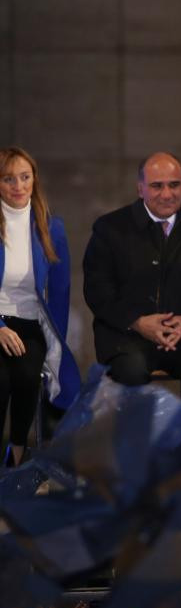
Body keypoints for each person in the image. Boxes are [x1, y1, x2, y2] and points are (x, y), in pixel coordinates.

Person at [83, 152, 181, 411]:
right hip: (128, 336)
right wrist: (137, 321)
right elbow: (97, 290)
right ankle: (138, 450)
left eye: (174, 184)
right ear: (140, 189)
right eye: (157, 186)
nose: (167, 194)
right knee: (130, 373)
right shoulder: (110, 228)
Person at [0, 147, 80, 467]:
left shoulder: (50, 226)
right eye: (8, 179)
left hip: (30, 320)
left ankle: (17, 455)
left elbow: (60, 291)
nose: (18, 186)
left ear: (34, 180)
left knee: (28, 377)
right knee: (1, 382)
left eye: (25, 177)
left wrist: (55, 342)